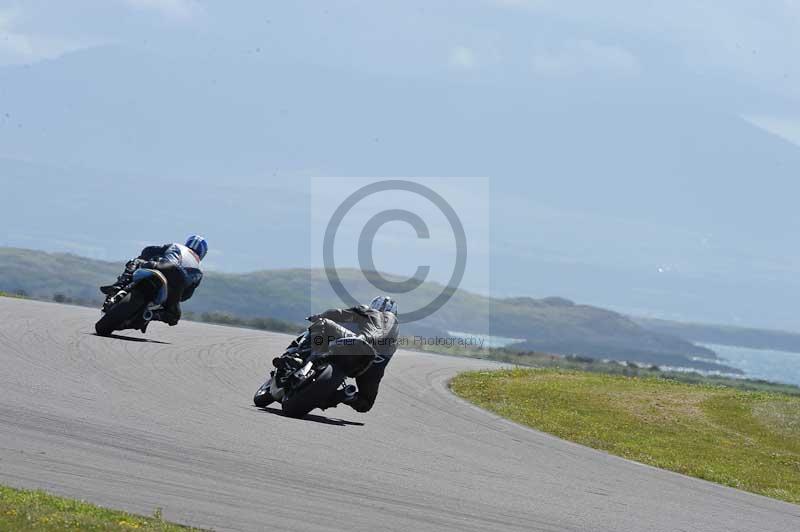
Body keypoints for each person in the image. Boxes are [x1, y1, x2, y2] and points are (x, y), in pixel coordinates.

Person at [276, 296, 399, 413]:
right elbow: (380, 367)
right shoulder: (394, 341)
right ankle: (344, 395)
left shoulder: (368, 311)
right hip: (369, 366)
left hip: (356, 343)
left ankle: (298, 358)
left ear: (375, 306)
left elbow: (338, 313)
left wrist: (317, 316)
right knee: (365, 403)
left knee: (323, 322)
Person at [101, 235, 207, 330]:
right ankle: (150, 314)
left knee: (136, 261)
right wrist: (174, 298)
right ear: (202, 253)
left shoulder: (176, 246)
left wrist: (145, 258)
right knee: (174, 317)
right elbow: (186, 295)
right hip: (177, 286)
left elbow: (149, 250)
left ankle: (118, 286)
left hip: (162, 266)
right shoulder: (200, 270)